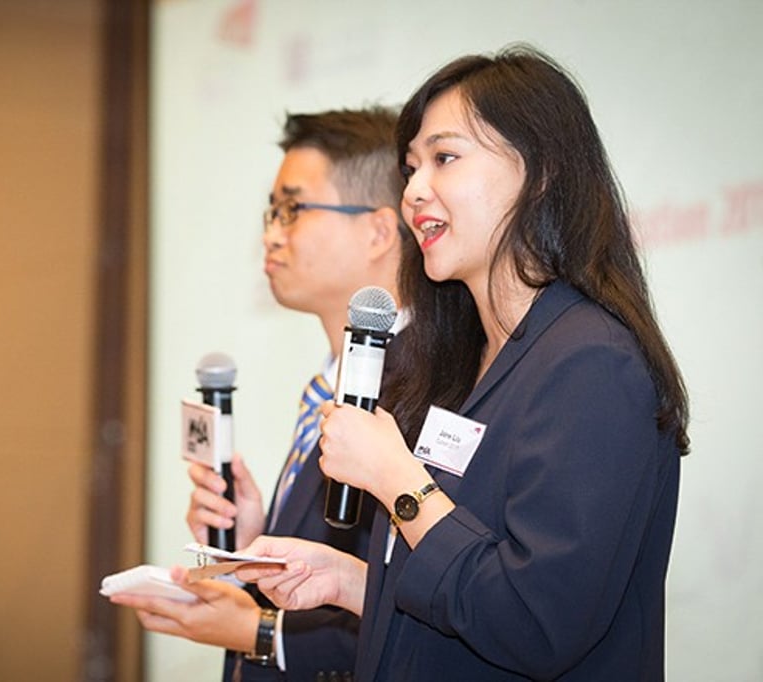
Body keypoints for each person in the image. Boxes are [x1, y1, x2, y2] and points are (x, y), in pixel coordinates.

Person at [235, 45, 690, 681]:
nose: (414, 192)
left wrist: (400, 483)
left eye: (444, 159)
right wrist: (350, 581)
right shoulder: (463, 359)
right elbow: (468, 590)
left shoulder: (592, 361)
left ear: (543, 170)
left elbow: (537, 622)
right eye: (411, 168)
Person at [109, 107, 423, 680]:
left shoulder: (427, 387)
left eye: (292, 210)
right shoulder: (332, 381)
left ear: (379, 230)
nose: (270, 234)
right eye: (270, 212)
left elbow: (424, 611)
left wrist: (257, 632)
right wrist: (250, 543)